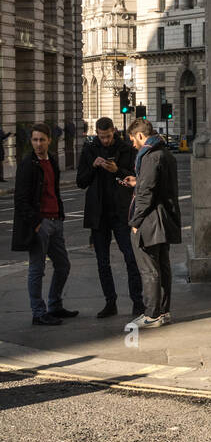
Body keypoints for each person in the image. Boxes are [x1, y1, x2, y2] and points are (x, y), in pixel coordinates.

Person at [77, 117, 144, 319]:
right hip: (99, 214)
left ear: (114, 131)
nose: (105, 140)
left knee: (130, 257)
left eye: (108, 136)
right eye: (101, 136)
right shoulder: (90, 150)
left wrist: (118, 171)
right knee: (102, 261)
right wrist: (94, 166)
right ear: (97, 133)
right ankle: (110, 301)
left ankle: (137, 301)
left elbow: (134, 178)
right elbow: (81, 181)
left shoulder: (125, 149)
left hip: (120, 212)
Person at [12, 124, 78, 327]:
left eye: (41, 140)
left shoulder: (52, 161)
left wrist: (60, 214)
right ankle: (38, 313)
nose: (38, 144)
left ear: (49, 140)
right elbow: (20, 200)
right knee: (37, 270)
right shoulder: (27, 164)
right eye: (34, 140)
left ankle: (55, 305)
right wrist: (37, 223)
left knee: (63, 265)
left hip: (56, 221)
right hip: (40, 224)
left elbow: (53, 191)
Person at [126, 118, 182, 330]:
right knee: (163, 267)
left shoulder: (149, 157)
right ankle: (164, 311)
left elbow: (146, 194)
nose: (133, 144)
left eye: (133, 139)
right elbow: (157, 186)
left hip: (150, 221)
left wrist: (135, 222)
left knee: (149, 269)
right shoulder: (166, 154)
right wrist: (137, 182)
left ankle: (151, 314)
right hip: (165, 219)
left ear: (140, 136)